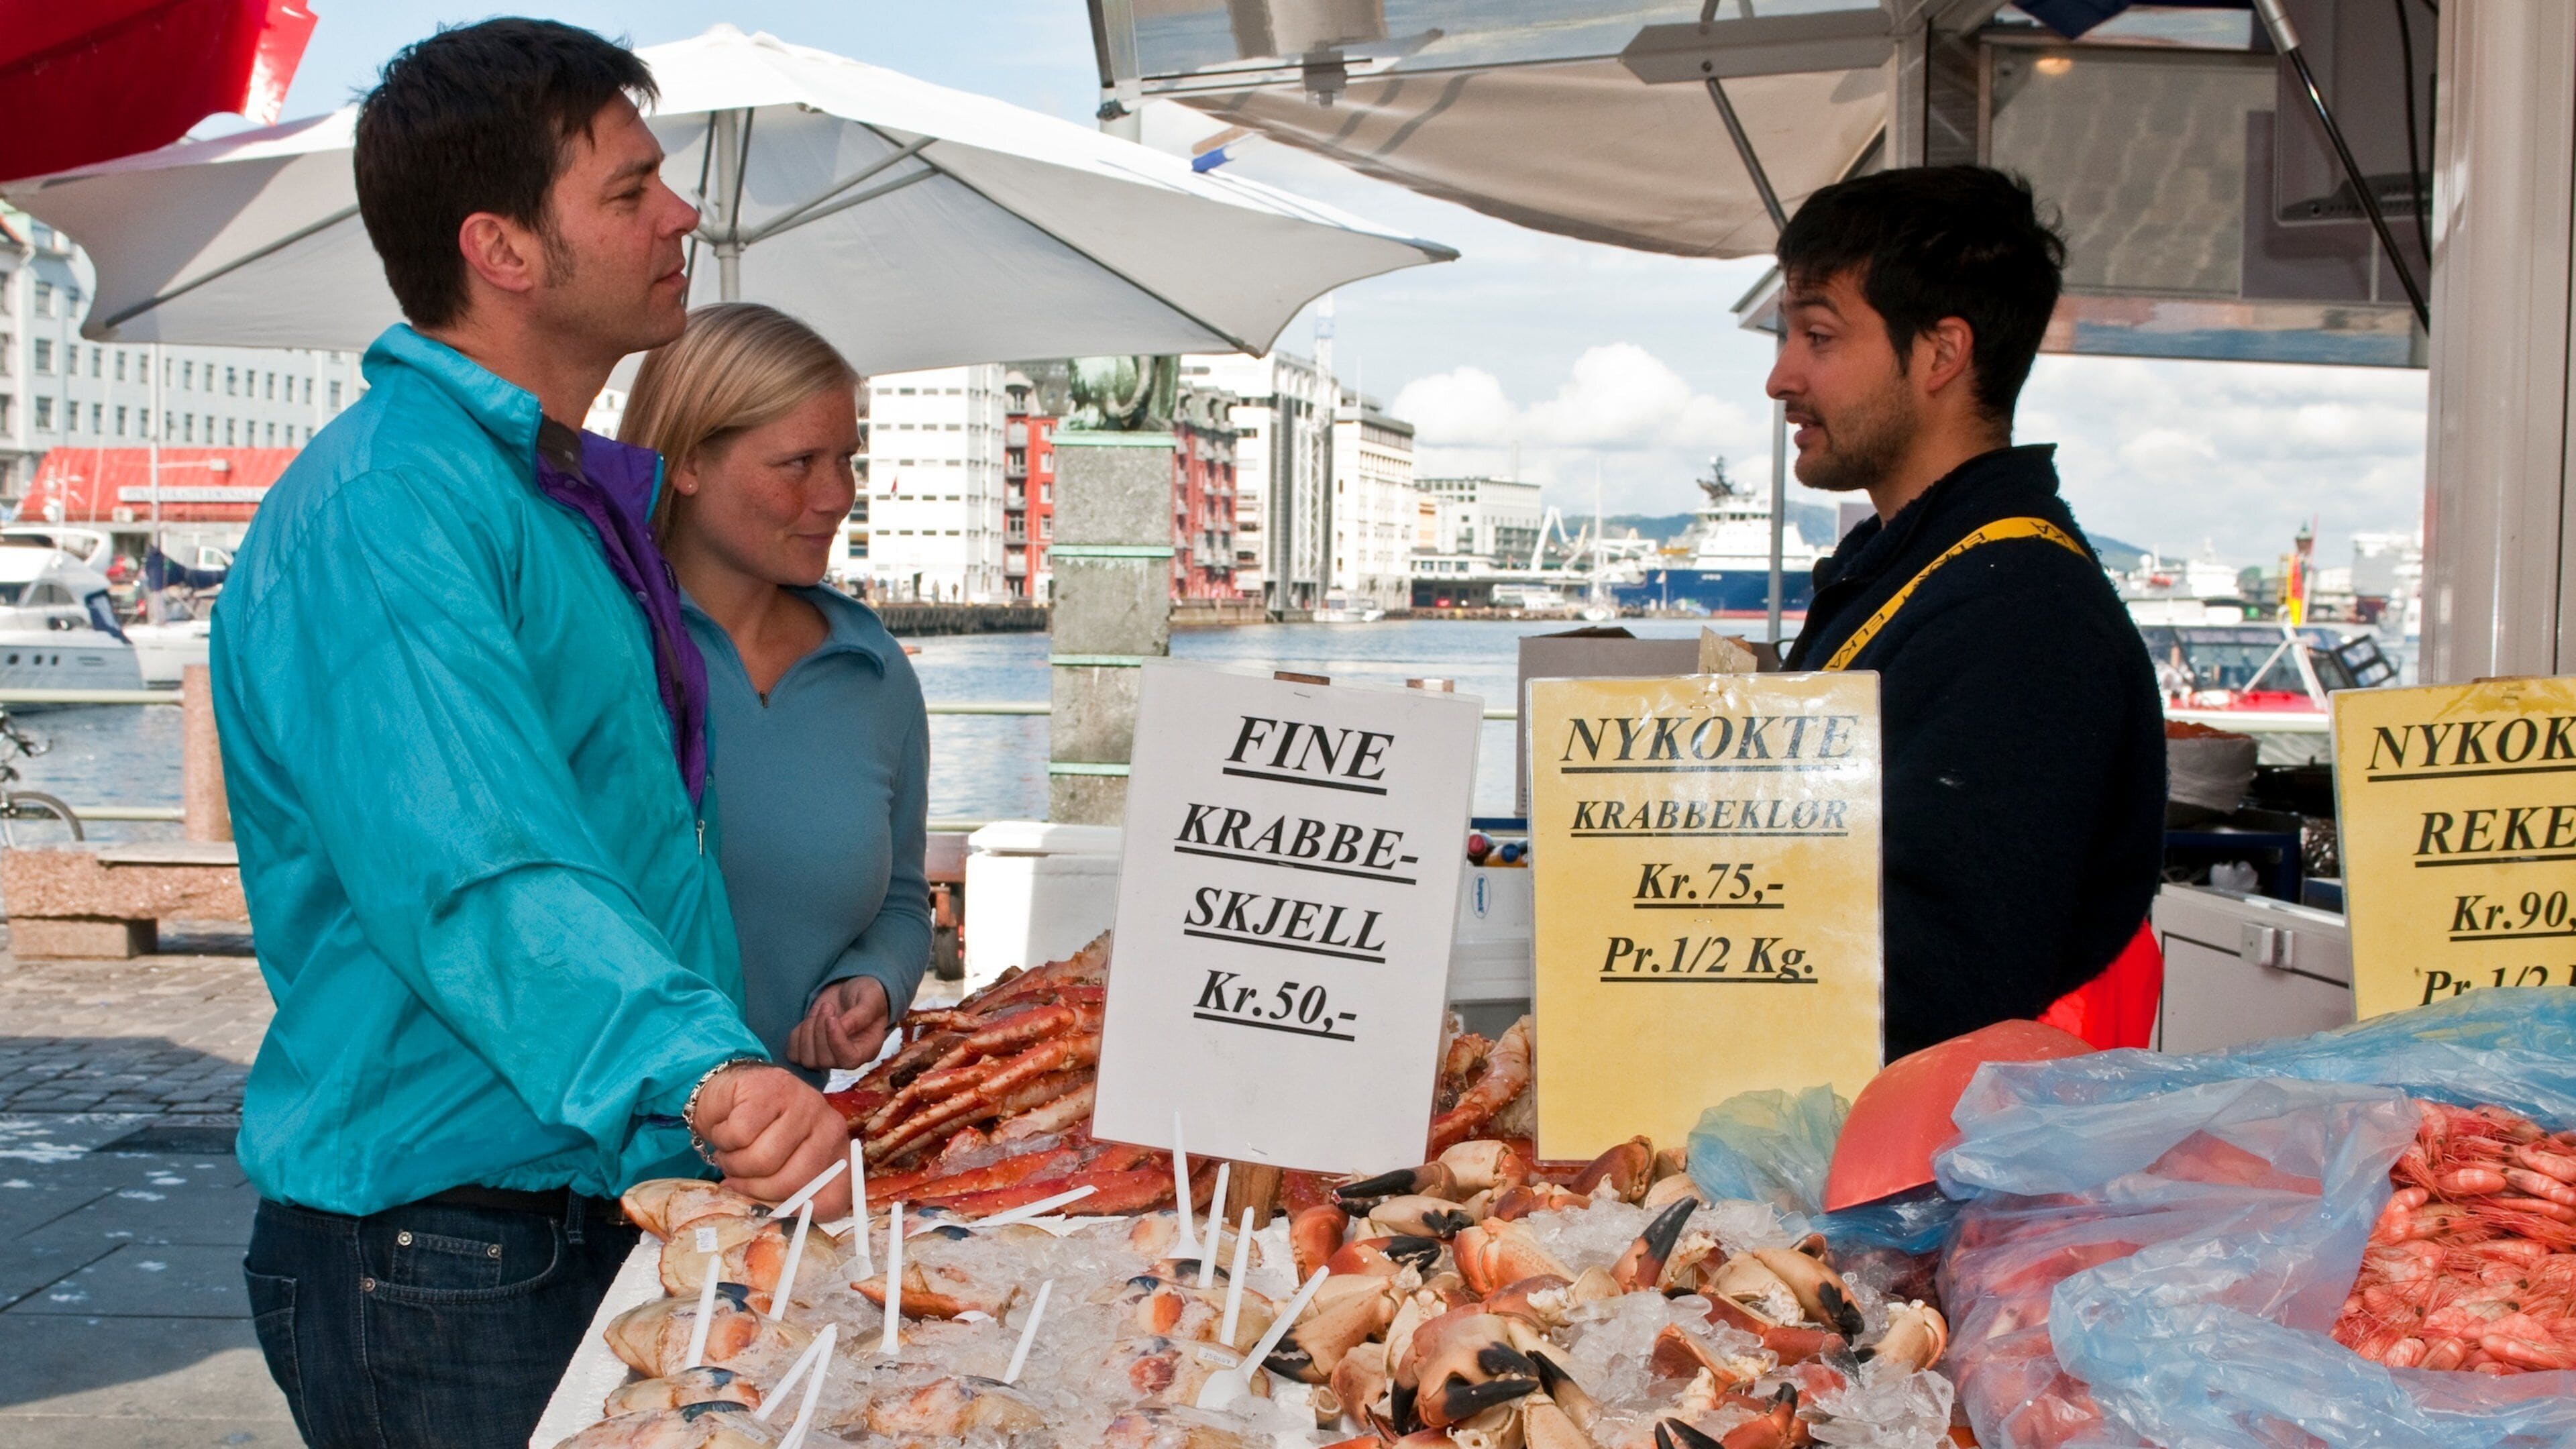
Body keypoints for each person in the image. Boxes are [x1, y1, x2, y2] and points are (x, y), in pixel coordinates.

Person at [215, 22, 851, 1448]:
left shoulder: (548, 498)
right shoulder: (389, 506)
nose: (681, 214)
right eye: (630, 193)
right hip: (447, 1248)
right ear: (501, 249)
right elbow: (474, 869)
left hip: (565, 1210)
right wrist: (705, 1066)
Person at [1769, 165, 2165, 1061]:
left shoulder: (2022, 619)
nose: (1782, 376)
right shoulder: (1920, 576)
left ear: (1943, 353)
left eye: (1818, 336)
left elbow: (1943, 978)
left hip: (1942, 1174)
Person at [620, 304, 933, 1079]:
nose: (836, 496)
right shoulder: (604, 646)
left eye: (846, 459)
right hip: (576, 1175)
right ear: (688, 461)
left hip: (781, 1172)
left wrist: (874, 982)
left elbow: (901, 898)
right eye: (798, 464)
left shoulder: (874, 672)